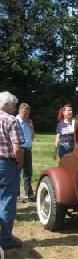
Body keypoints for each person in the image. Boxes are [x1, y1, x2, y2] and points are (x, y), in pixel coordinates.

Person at [0, 91, 24, 249]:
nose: (15, 108)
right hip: (7, 164)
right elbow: (17, 148)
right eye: (14, 105)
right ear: (7, 105)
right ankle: (5, 240)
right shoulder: (11, 120)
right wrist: (19, 163)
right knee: (7, 201)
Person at [16, 103, 35, 201]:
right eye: (24, 113)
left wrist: (31, 127)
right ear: (19, 111)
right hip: (20, 149)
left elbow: (32, 137)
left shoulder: (28, 122)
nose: (26, 115)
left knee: (28, 173)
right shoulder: (15, 121)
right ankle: (17, 194)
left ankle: (28, 194)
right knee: (17, 173)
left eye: (28, 113)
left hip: (28, 150)